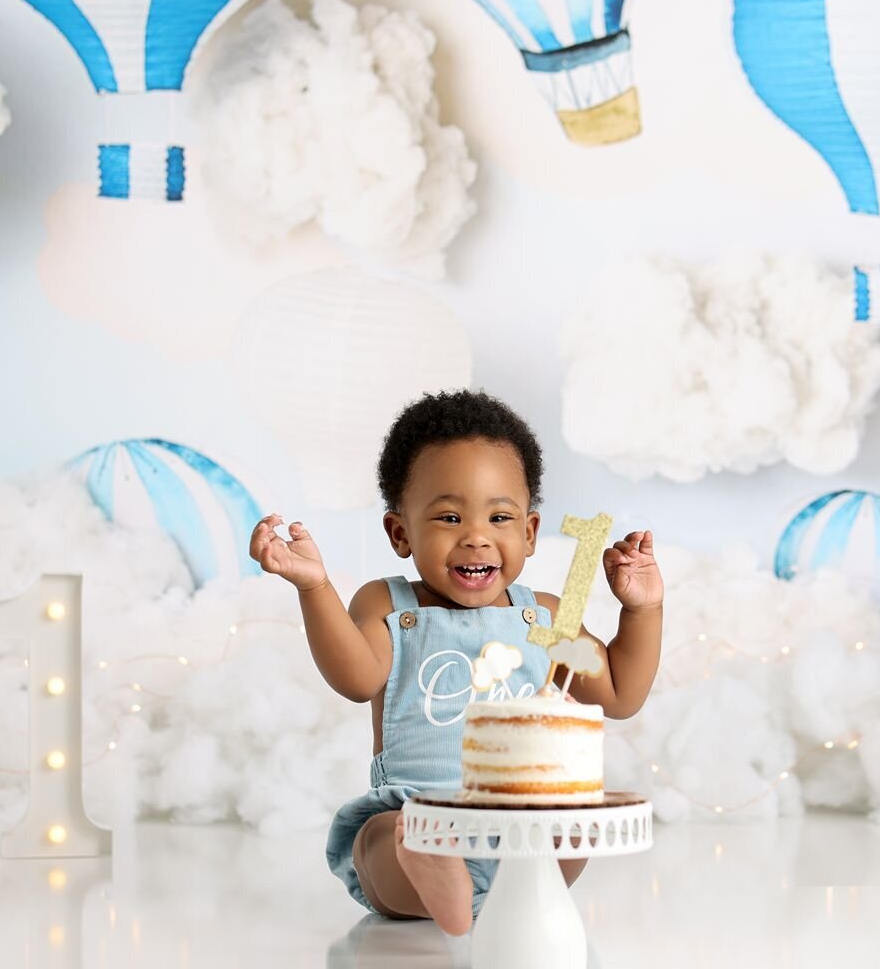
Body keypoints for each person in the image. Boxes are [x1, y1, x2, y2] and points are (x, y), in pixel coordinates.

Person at [250, 389, 663, 935]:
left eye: (499, 517)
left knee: (570, 826)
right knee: (378, 841)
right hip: (416, 815)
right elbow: (356, 679)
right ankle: (435, 875)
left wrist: (642, 610)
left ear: (530, 533)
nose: (476, 537)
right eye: (449, 517)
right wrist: (315, 588)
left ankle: (508, 885)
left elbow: (619, 694)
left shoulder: (544, 620)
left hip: (522, 827)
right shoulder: (388, 605)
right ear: (401, 533)